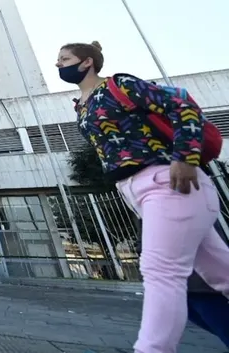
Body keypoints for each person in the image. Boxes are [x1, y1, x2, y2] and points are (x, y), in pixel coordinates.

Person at [57, 41, 229, 352]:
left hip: (169, 181)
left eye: (65, 58)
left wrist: (186, 157)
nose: (58, 65)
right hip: (138, 190)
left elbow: (181, 104)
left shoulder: (118, 84)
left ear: (86, 63)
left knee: (161, 273)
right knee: (221, 274)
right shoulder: (81, 104)